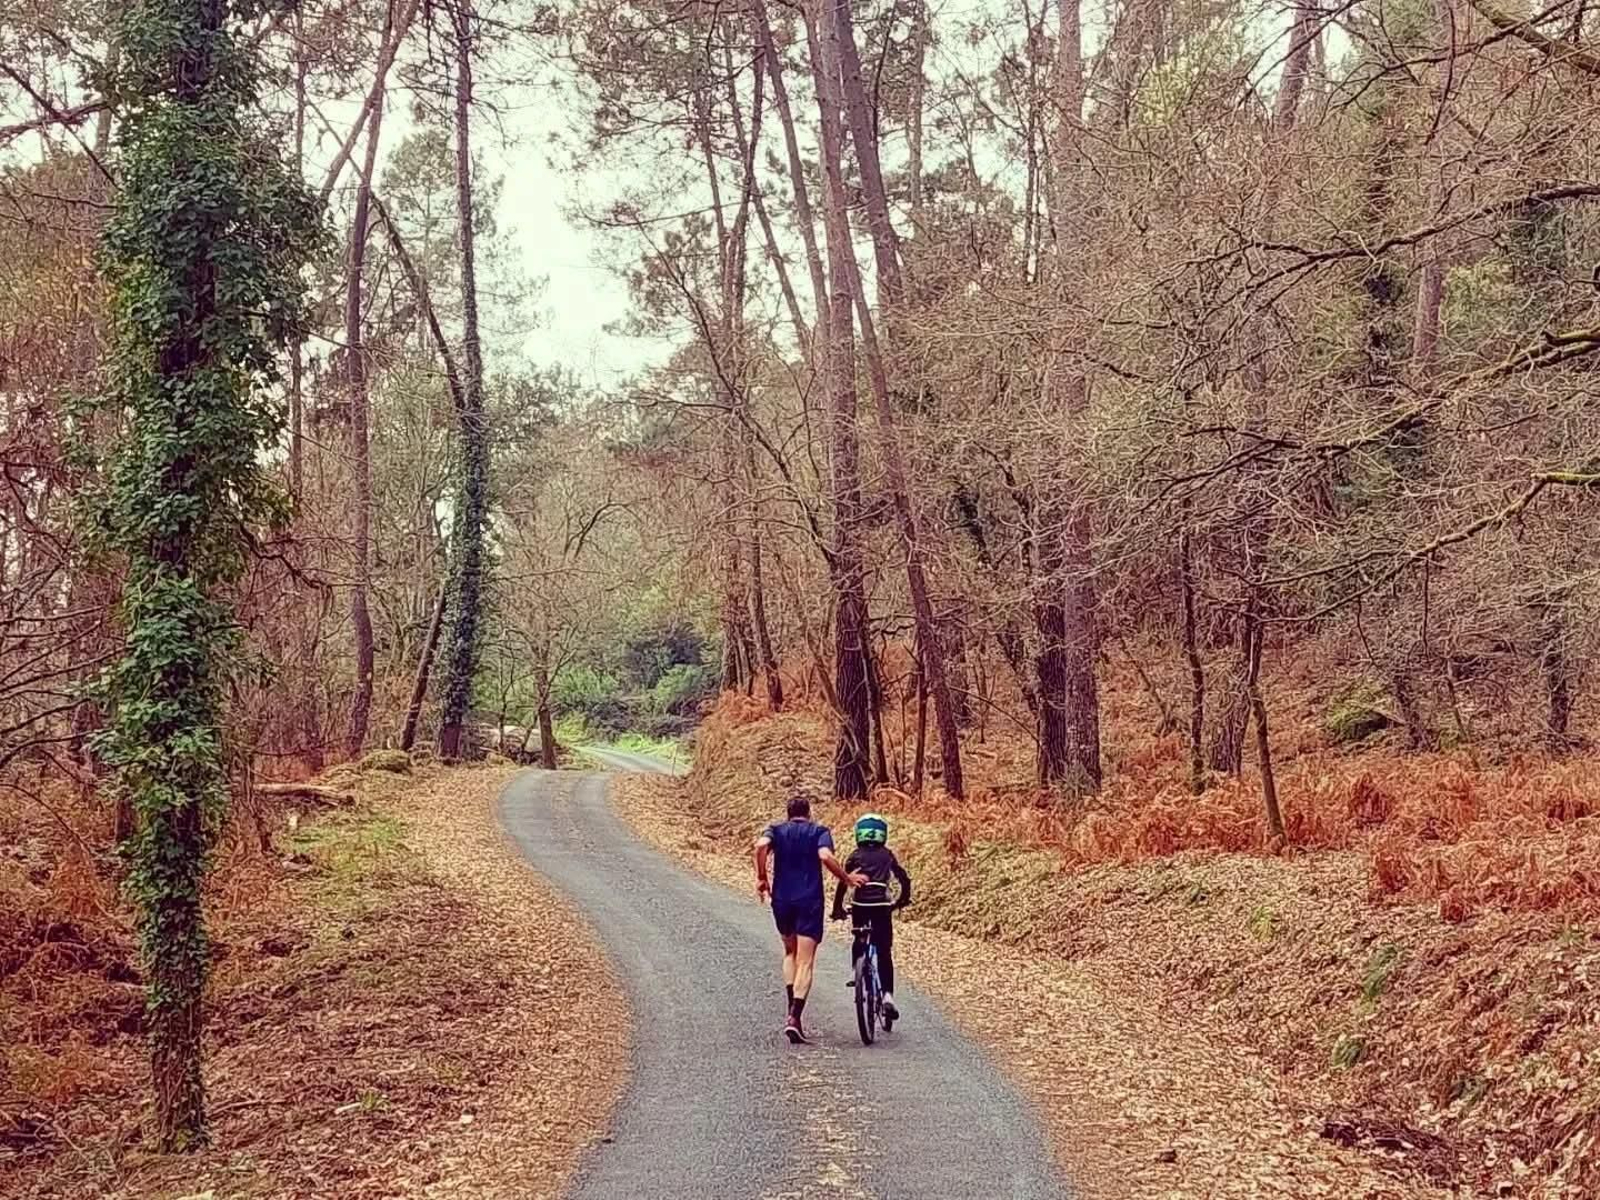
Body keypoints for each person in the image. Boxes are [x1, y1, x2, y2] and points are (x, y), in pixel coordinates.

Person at [754, 796, 866, 1044]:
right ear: (809, 813)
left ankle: (791, 1014)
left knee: (789, 954)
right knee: (806, 961)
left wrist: (762, 877)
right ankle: (795, 1017)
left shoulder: (776, 830)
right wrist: (847, 879)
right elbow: (825, 856)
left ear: (788, 814)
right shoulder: (819, 831)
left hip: (782, 899)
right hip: (809, 901)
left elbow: (760, 846)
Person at [830, 813, 911, 1022]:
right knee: (884, 951)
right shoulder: (887, 855)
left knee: (859, 937)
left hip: (860, 905)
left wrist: (837, 908)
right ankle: (888, 996)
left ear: (859, 834)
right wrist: (902, 900)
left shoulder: (855, 855)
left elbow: (843, 882)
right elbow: (903, 878)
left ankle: (855, 971)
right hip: (882, 907)